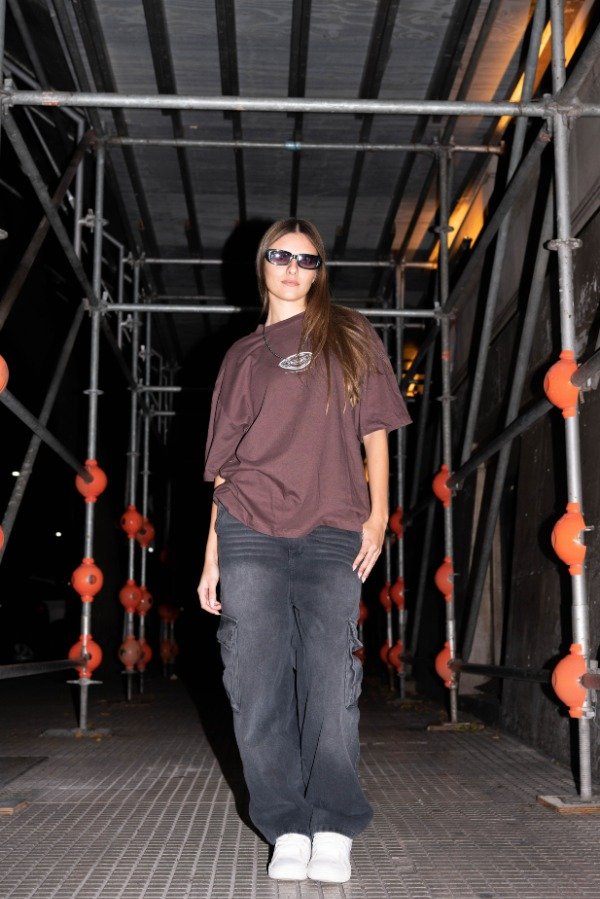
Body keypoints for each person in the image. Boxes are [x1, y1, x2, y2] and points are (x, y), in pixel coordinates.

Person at [197, 218, 410, 884]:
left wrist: (377, 514)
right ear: (262, 264)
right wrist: (211, 554)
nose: (293, 267)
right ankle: (285, 822)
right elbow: (224, 468)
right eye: (281, 255)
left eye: (307, 259)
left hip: (330, 528)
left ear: (320, 271)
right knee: (252, 676)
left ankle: (334, 823)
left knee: (329, 676)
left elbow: (376, 431)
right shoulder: (242, 356)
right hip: (247, 527)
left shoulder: (349, 333)